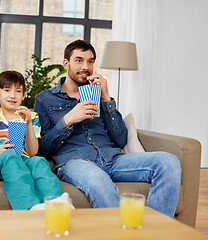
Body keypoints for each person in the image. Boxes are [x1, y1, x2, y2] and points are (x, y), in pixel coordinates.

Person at [34, 39, 182, 217]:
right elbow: (42, 150)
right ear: (66, 63)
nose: (85, 66)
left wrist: (106, 99)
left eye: (90, 61)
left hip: (113, 159)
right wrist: (67, 120)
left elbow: (120, 139)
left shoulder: (98, 94)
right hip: (75, 162)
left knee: (169, 162)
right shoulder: (45, 99)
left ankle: (154, 231)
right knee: (99, 181)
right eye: (79, 60)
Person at [0, 70, 68, 210]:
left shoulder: (31, 116)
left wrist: (29, 123)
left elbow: (32, 152)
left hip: (22, 160)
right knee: (10, 156)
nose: (12, 95)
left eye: (18, 91)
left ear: (24, 95)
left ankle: (57, 203)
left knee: (39, 161)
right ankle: (29, 206)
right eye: (7, 90)